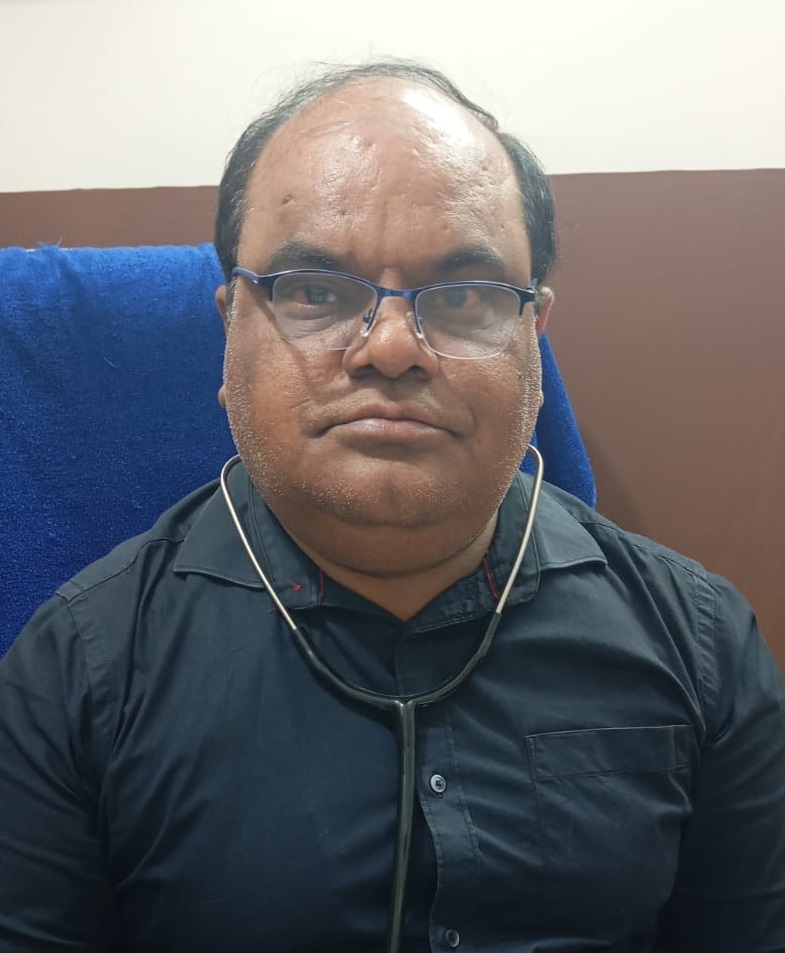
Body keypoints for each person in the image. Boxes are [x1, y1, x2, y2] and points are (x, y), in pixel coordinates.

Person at [0, 60, 783, 953]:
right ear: (230, 330)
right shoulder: (76, 673)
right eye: (313, 290)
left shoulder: (700, 645)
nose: (392, 347)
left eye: (462, 295)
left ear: (532, 336)